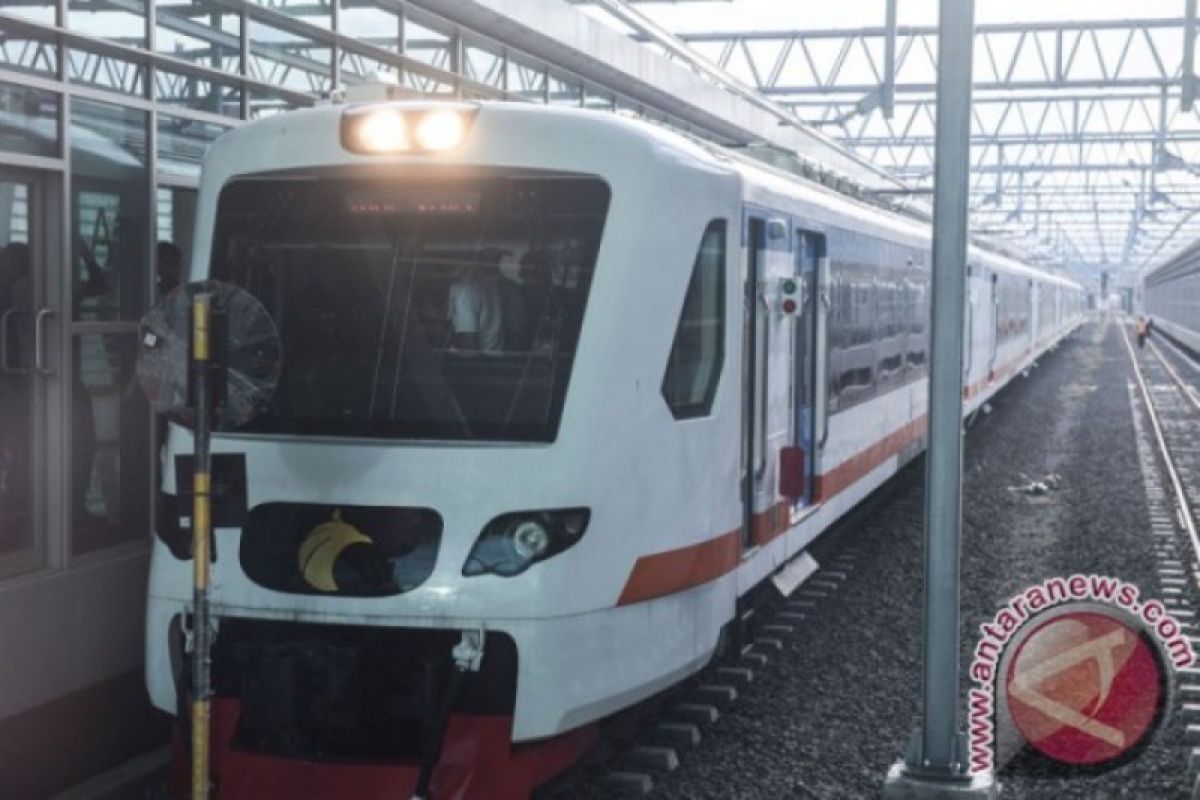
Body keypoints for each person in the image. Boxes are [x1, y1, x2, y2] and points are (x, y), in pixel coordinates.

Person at [447, 249, 505, 352]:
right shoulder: (487, 280)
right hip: (494, 357)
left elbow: (469, 340)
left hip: (478, 362)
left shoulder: (465, 288)